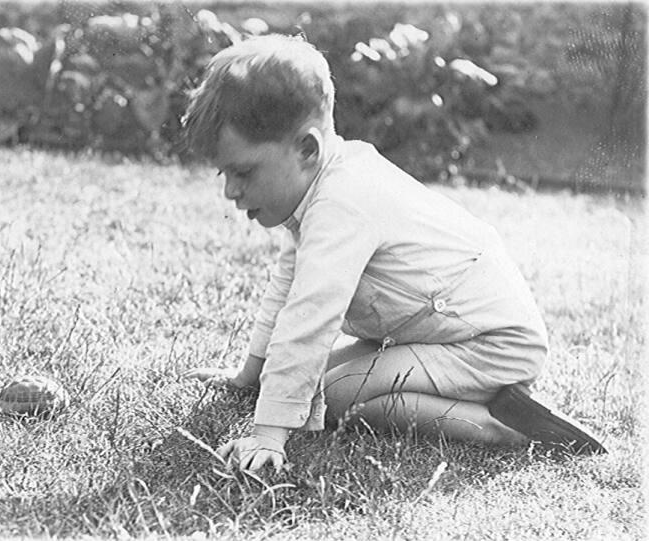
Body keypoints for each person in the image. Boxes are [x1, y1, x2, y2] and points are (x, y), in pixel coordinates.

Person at [182, 34, 606, 472]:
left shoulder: (343, 202)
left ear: (307, 149)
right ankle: (486, 399)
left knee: (332, 399)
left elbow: (309, 318)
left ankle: (503, 425)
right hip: (439, 336)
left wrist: (268, 433)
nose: (230, 192)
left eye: (243, 172)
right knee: (312, 385)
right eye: (224, 173)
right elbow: (286, 290)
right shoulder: (321, 187)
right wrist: (249, 376)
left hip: (491, 344)